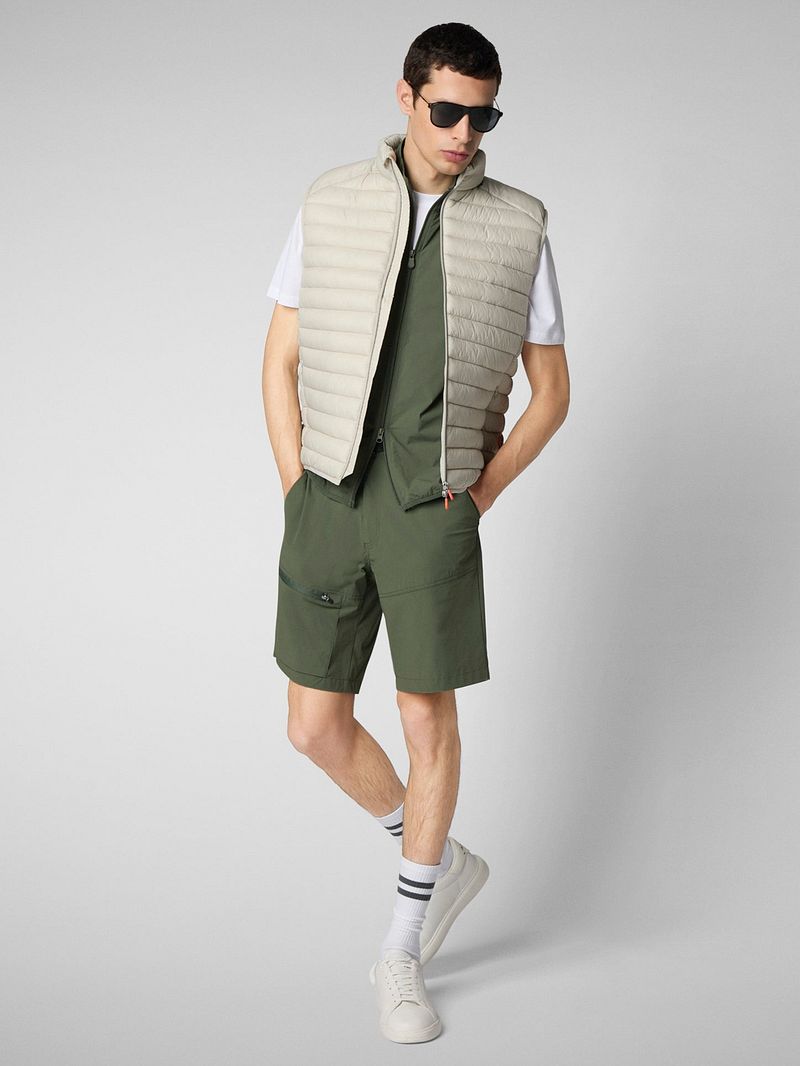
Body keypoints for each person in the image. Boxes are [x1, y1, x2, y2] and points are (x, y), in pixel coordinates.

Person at [261, 22, 569, 1044]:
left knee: (425, 716)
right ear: (405, 97)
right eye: (447, 110)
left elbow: (551, 392)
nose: (464, 132)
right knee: (313, 725)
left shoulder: (518, 224)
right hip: (329, 495)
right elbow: (278, 358)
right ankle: (435, 855)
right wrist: (296, 487)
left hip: (431, 504)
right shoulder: (331, 201)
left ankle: (401, 946)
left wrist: (477, 497)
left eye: (483, 115)